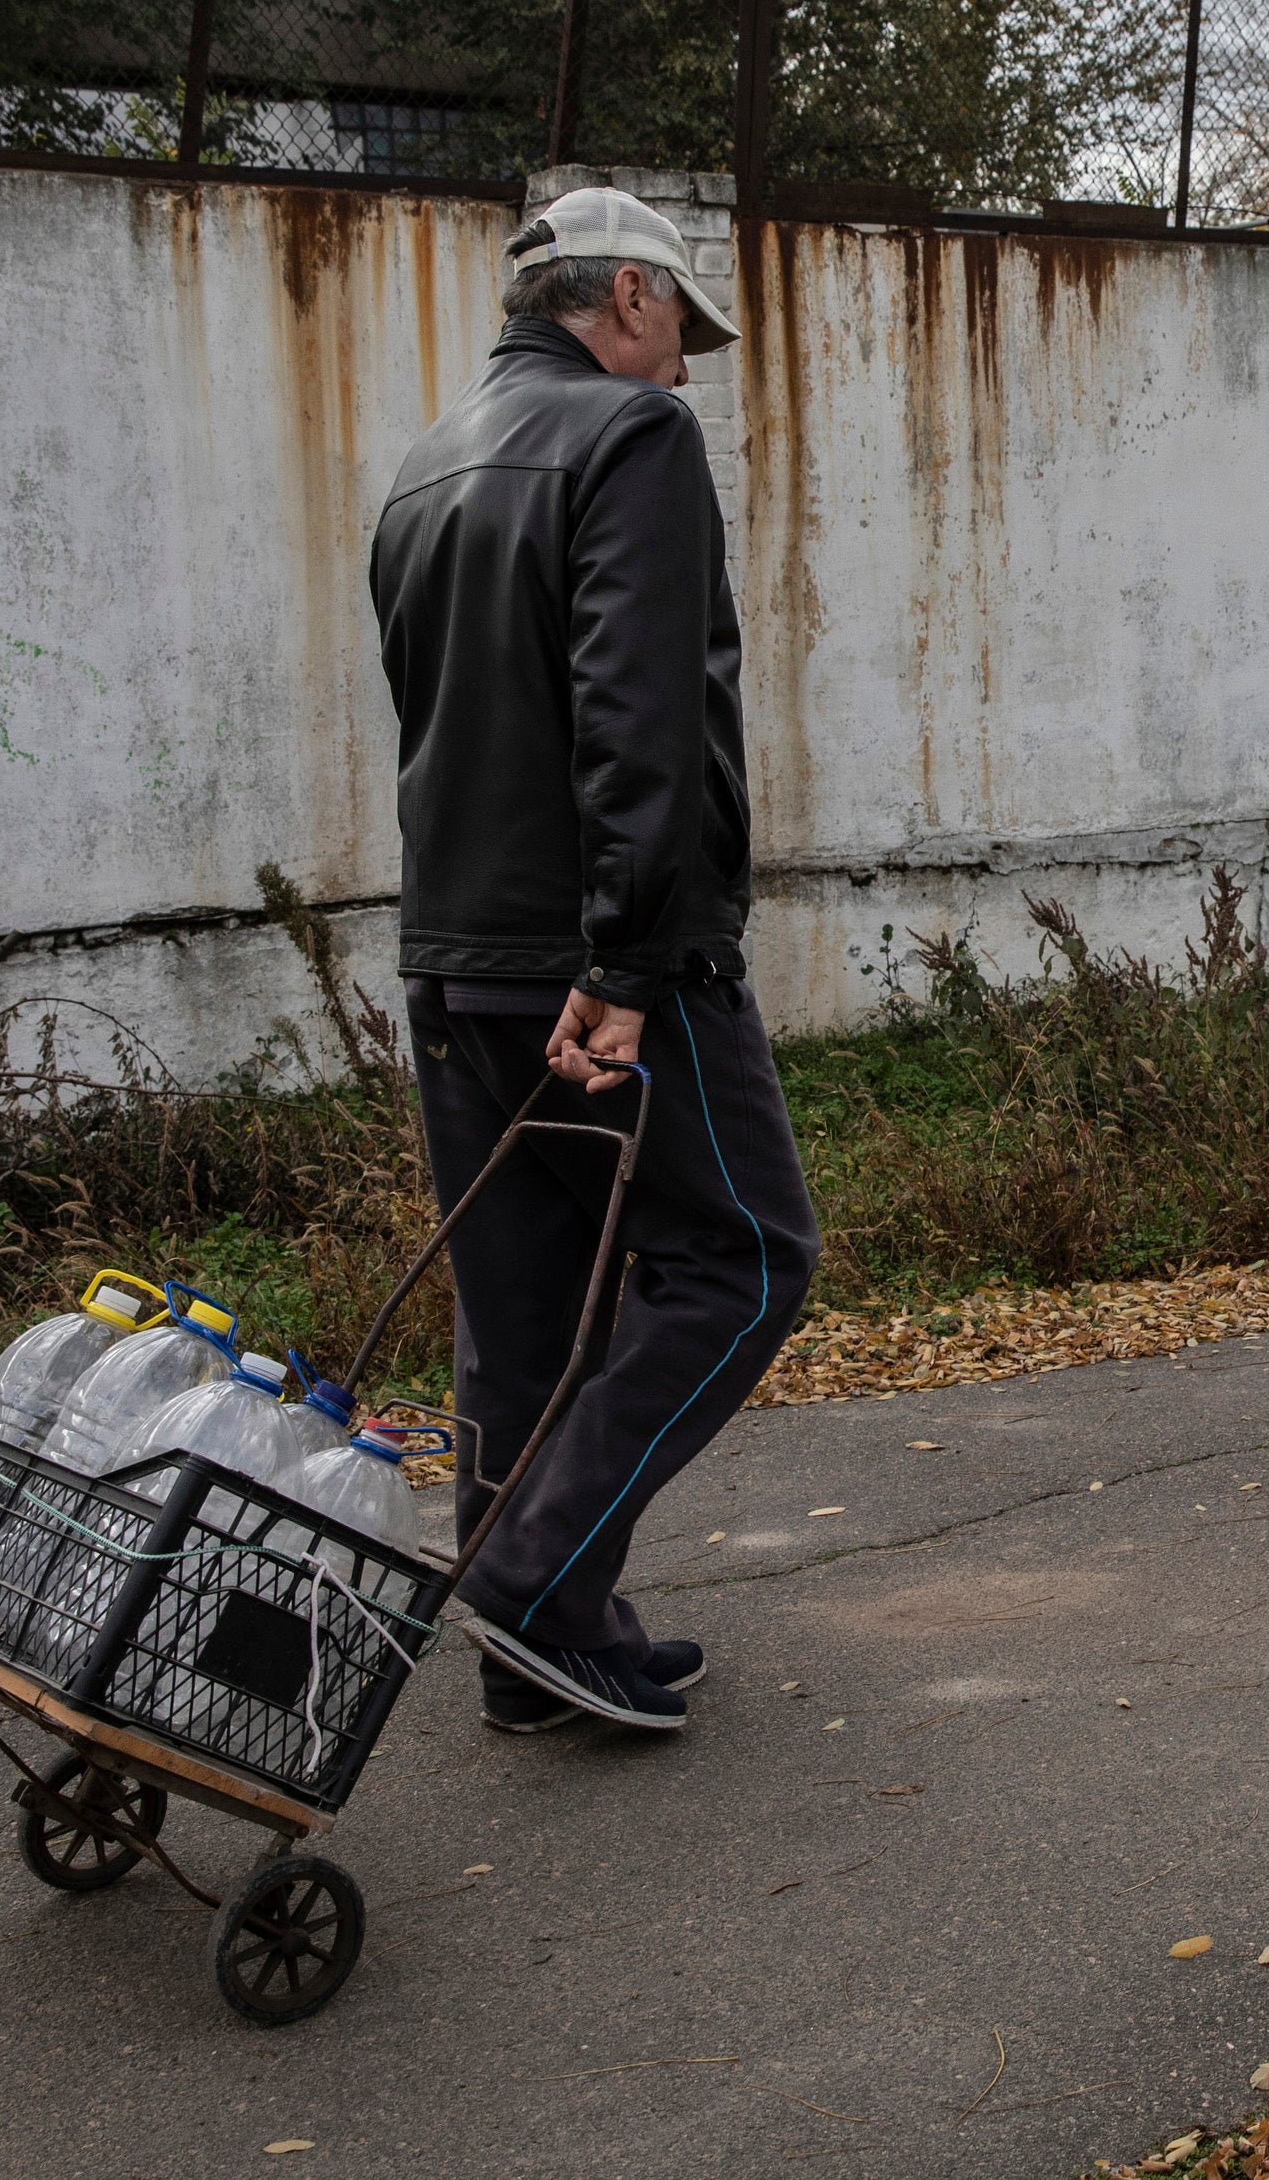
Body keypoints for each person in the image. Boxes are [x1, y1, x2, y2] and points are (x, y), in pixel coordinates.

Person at [368, 184, 820, 1738]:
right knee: (749, 1257)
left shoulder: (426, 466)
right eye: (676, 330)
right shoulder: (632, 443)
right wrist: (630, 960)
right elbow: (638, 716)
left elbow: (432, 722)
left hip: (454, 964)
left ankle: (536, 1645)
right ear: (624, 296)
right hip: (604, 960)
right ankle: (532, 1575)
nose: (683, 369)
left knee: (527, 1315)